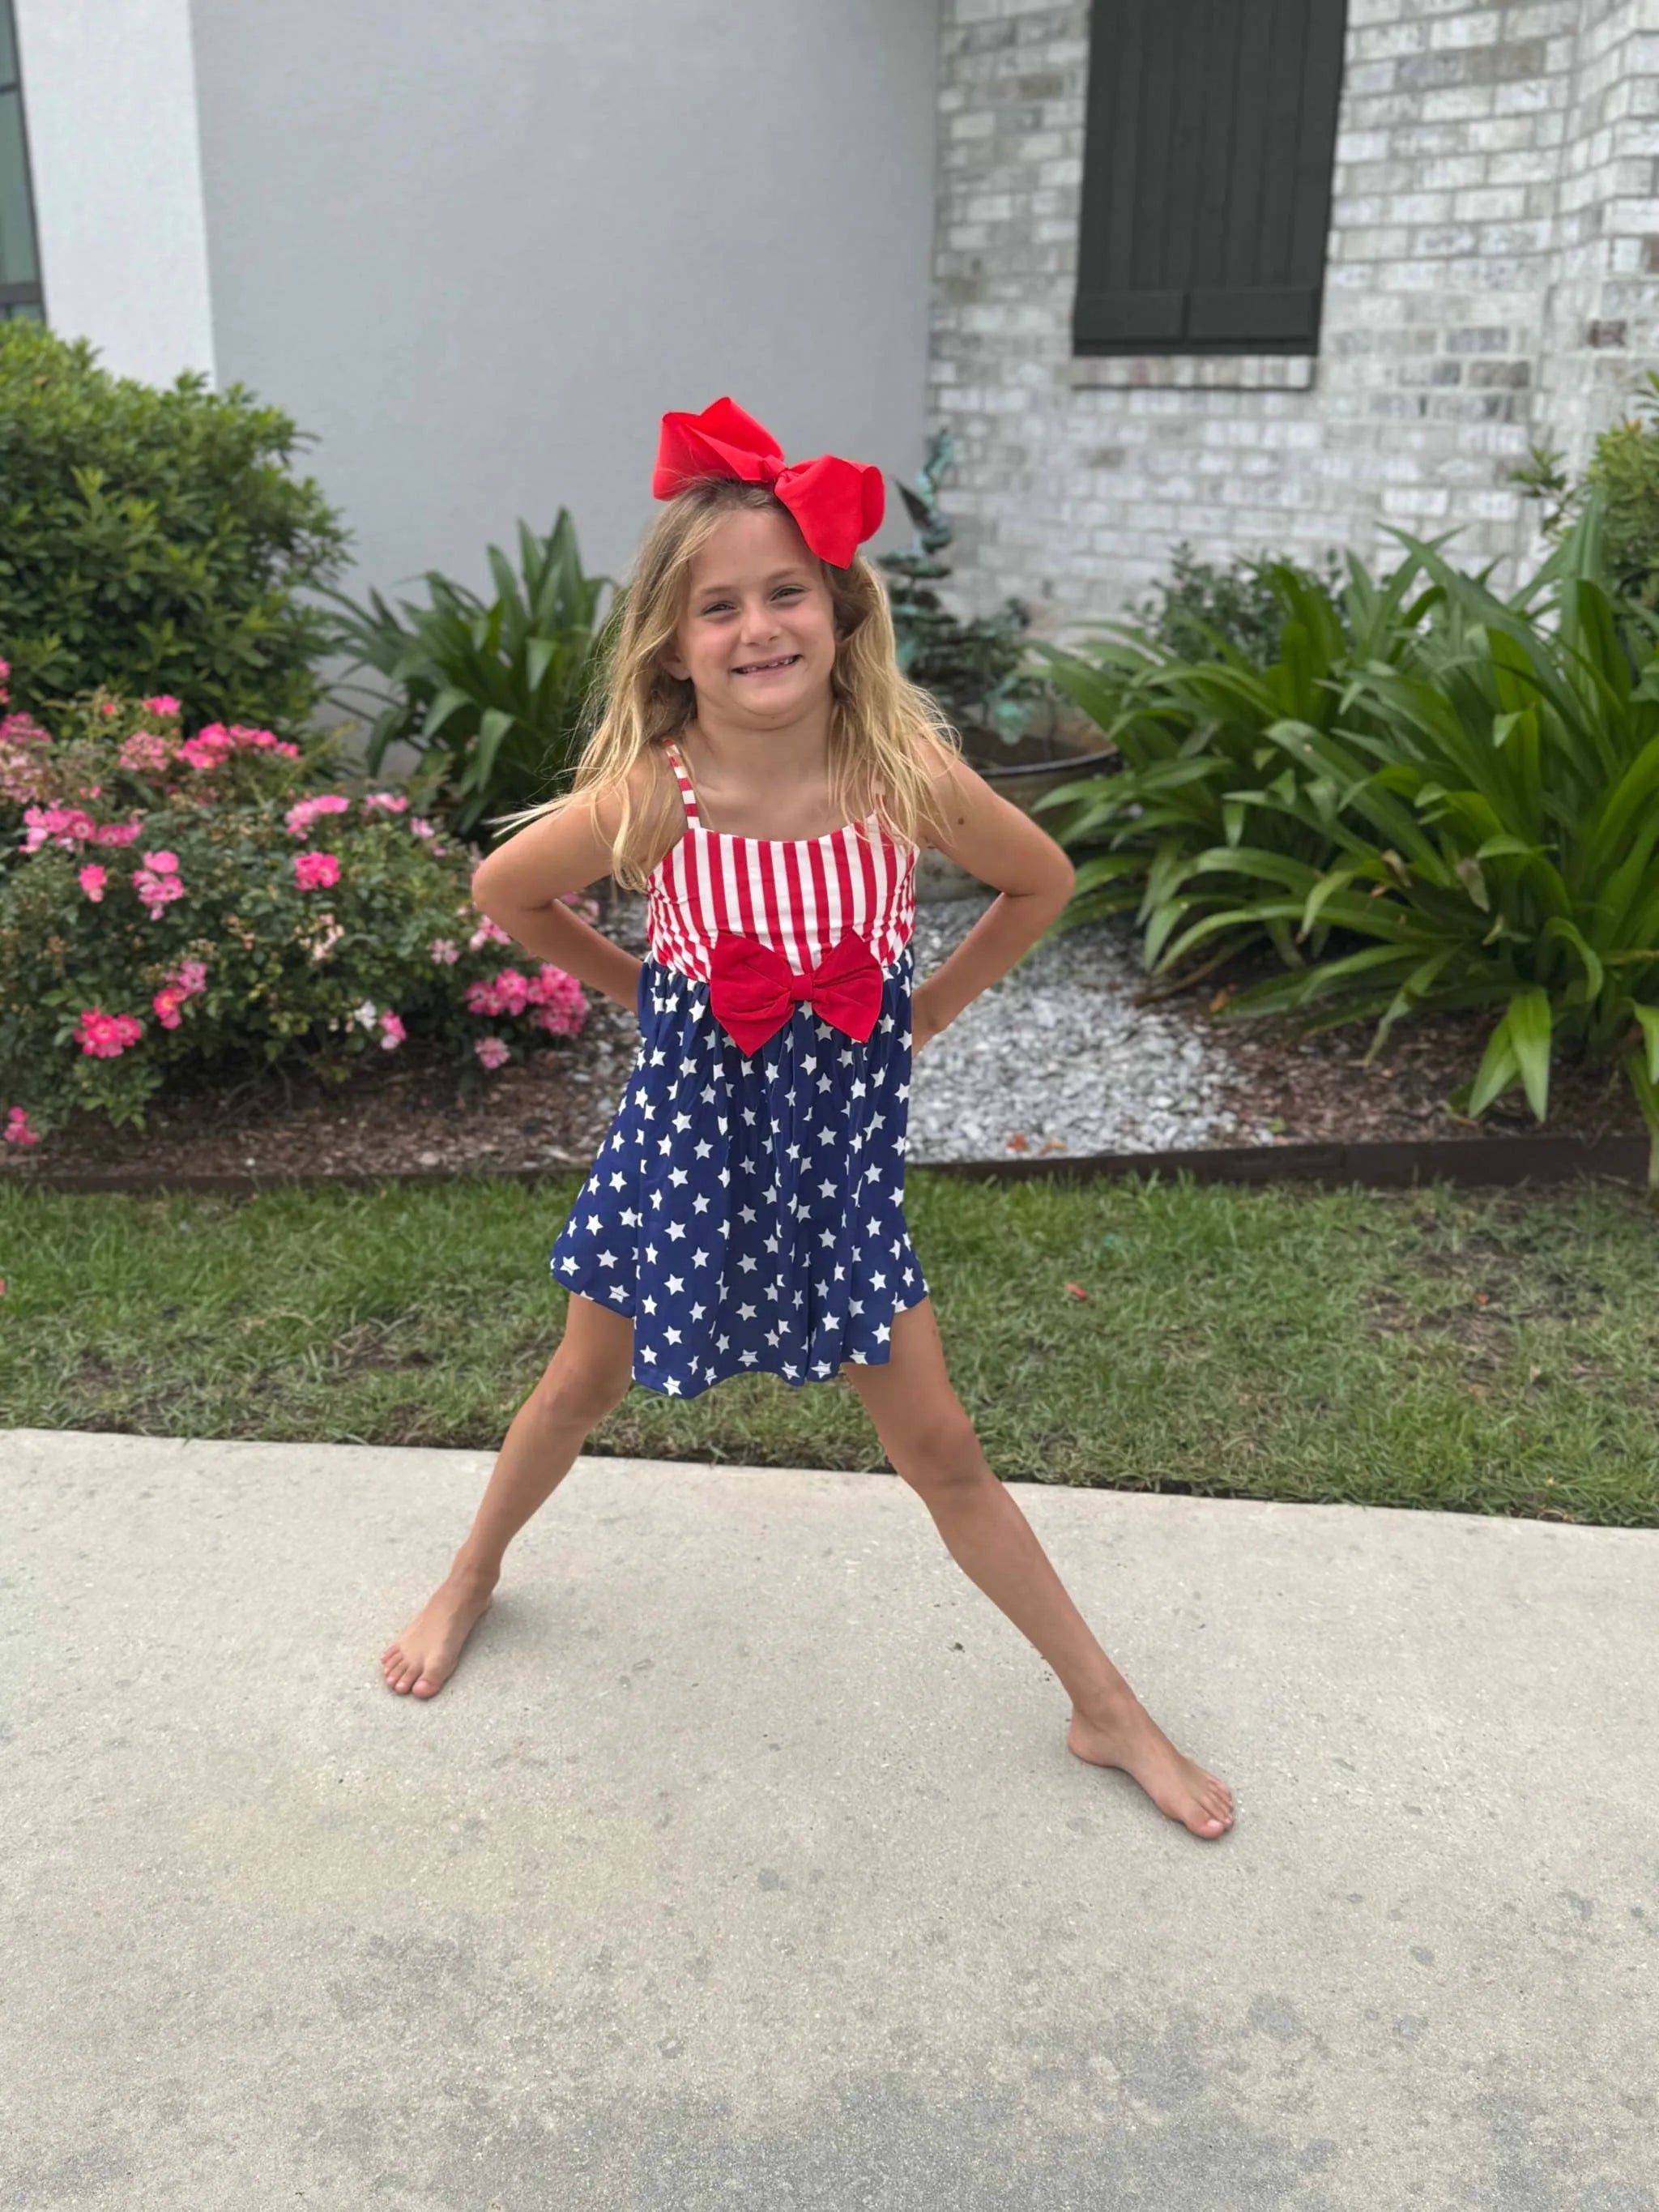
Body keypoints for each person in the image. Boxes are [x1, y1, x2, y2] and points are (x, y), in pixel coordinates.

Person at [382, 398, 1235, 1842]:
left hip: (838, 1184)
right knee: (578, 1383)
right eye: (719, 605)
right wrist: (641, 986)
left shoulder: (902, 780)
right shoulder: (655, 799)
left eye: (787, 592)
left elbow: (1041, 883)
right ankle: (473, 1569)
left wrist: (929, 1007)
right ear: (670, 640)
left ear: (839, 609)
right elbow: (506, 893)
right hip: (683, 1162)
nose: (757, 626)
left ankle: (1105, 1704)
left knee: (944, 1447)